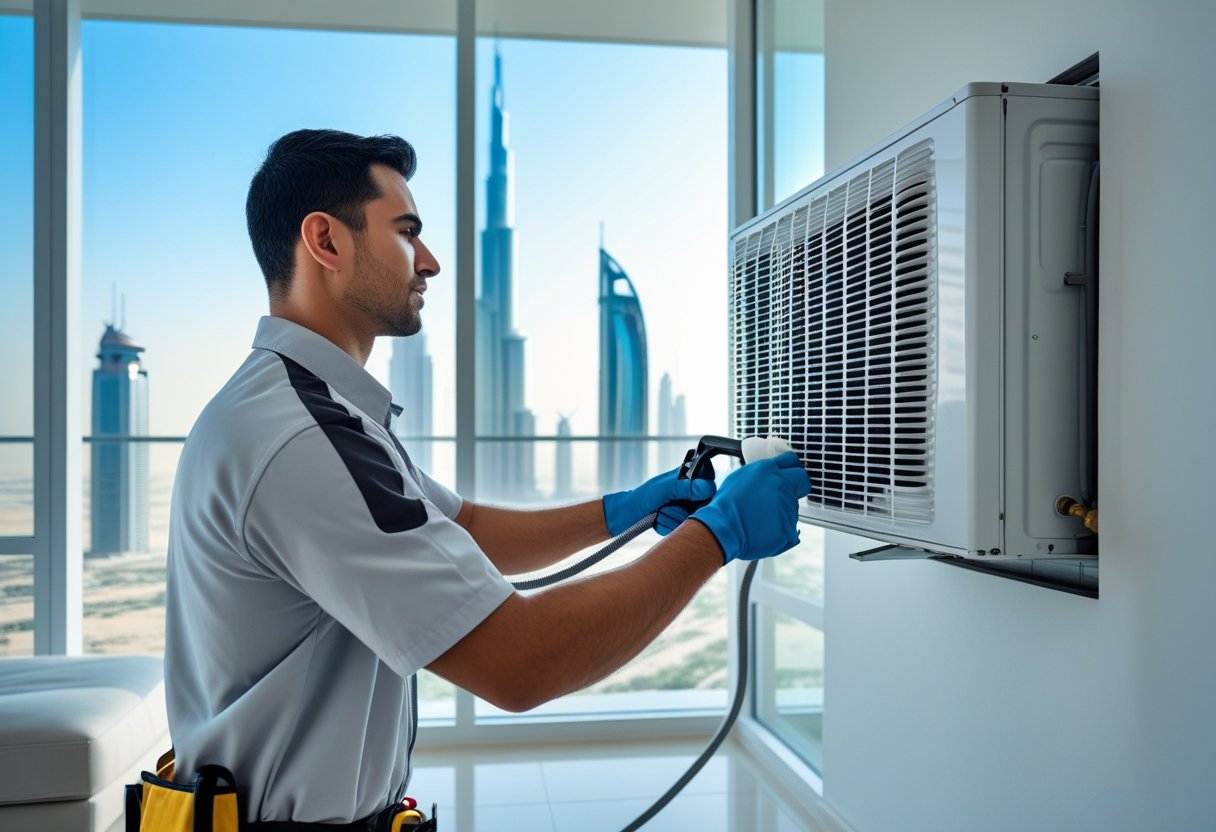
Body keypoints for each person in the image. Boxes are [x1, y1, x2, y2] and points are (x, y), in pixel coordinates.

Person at [163, 128, 812, 827]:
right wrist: (720, 535)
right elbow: (521, 662)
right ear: (326, 242)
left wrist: (620, 510)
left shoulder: (310, 409)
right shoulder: (299, 436)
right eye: (407, 232)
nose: (430, 262)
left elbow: (464, 528)